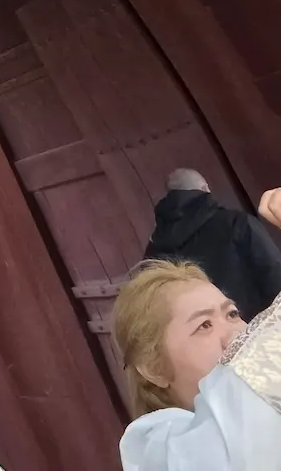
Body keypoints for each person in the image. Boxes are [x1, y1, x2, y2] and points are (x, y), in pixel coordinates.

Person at [114, 186, 281, 471]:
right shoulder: (160, 448)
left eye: (232, 313)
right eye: (204, 325)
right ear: (154, 367)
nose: (237, 334)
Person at [144, 168, 281, 321]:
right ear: (204, 189)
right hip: (254, 328)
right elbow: (274, 271)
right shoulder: (236, 222)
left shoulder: (155, 246)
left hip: (205, 338)